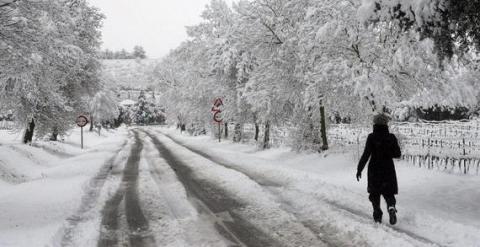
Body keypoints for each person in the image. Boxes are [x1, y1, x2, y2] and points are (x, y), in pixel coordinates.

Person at [356, 113, 401, 225]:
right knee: (389, 193)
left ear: (375, 124)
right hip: (388, 169)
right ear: (386, 124)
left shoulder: (372, 137)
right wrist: (387, 151)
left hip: (374, 170)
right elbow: (397, 154)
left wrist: (359, 169)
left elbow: (366, 154)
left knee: (374, 194)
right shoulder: (391, 137)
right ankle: (391, 207)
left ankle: (377, 215)